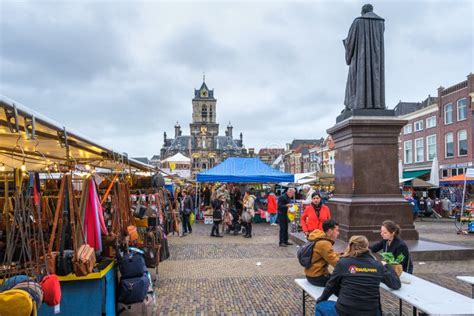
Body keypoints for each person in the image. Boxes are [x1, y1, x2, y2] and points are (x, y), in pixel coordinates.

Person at [317, 235, 401, 316]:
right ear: (367, 247)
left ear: (350, 246)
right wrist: (386, 265)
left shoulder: (343, 263)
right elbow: (396, 284)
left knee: (319, 307)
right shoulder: (377, 266)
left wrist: (321, 299)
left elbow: (331, 285)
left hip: (345, 311)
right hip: (370, 312)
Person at [305, 220, 340, 287]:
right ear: (330, 231)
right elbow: (336, 263)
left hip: (311, 274)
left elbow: (329, 254)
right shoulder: (324, 243)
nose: (338, 233)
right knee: (344, 283)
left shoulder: (319, 238)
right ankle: (326, 297)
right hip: (317, 277)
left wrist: (343, 254)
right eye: (337, 230)